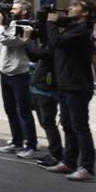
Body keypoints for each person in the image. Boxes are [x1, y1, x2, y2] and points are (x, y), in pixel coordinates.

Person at [41, 0, 96, 181]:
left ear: (86, 13)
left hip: (77, 86)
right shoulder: (73, 27)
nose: (69, 8)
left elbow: (57, 41)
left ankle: (87, 167)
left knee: (80, 126)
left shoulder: (81, 31)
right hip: (65, 83)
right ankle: (69, 161)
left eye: (75, 6)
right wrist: (52, 18)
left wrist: (51, 22)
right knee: (67, 125)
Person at [0, 0, 38, 159]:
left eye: (16, 8)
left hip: (20, 74)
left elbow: (7, 41)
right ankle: (17, 141)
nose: (12, 10)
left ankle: (31, 145)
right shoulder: (8, 24)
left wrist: (0, 24)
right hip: (5, 73)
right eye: (12, 8)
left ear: (24, 11)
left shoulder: (24, 26)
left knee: (24, 111)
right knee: (10, 110)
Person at [22, 22, 64, 166]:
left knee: (48, 122)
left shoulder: (55, 43)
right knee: (45, 122)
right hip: (39, 86)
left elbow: (42, 54)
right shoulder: (48, 43)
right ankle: (55, 152)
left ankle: (56, 154)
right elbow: (34, 57)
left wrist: (27, 40)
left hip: (47, 89)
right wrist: (28, 42)